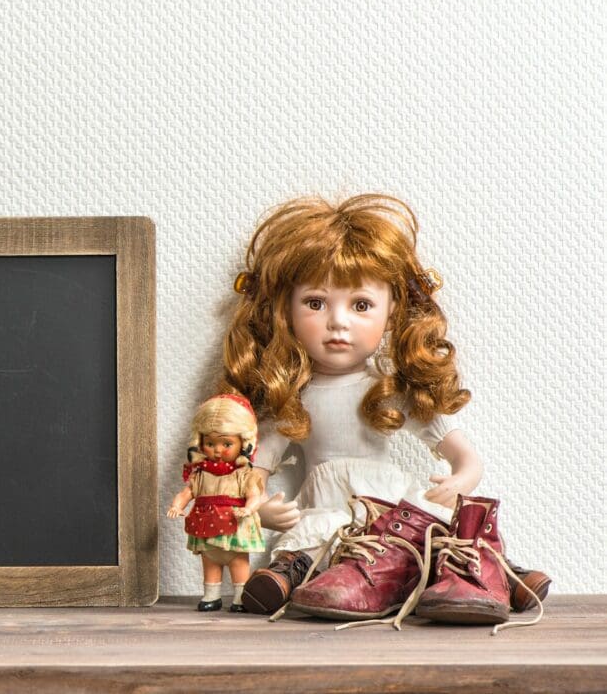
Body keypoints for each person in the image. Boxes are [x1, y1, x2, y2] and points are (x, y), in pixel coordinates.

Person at [218, 194, 549, 626]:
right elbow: (253, 476)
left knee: (431, 527)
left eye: (360, 305)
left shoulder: (387, 391)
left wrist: (461, 478)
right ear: (286, 312)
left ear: (392, 313)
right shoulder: (292, 399)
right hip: (329, 501)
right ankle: (284, 576)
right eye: (316, 303)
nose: (338, 322)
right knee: (320, 532)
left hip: (390, 505)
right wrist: (259, 508)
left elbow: (464, 456)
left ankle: (500, 574)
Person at [166, 394, 266, 612]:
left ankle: (240, 598)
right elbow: (187, 493)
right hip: (205, 527)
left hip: (234, 530)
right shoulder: (200, 474)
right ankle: (211, 596)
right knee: (210, 562)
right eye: (210, 443)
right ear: (200, 442)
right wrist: (177, 506)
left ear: (244, 443)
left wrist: (249, 508)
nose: (218, 450)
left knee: (238, 562)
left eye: (226, 443)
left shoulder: (244, 474)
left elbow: (254, 496)